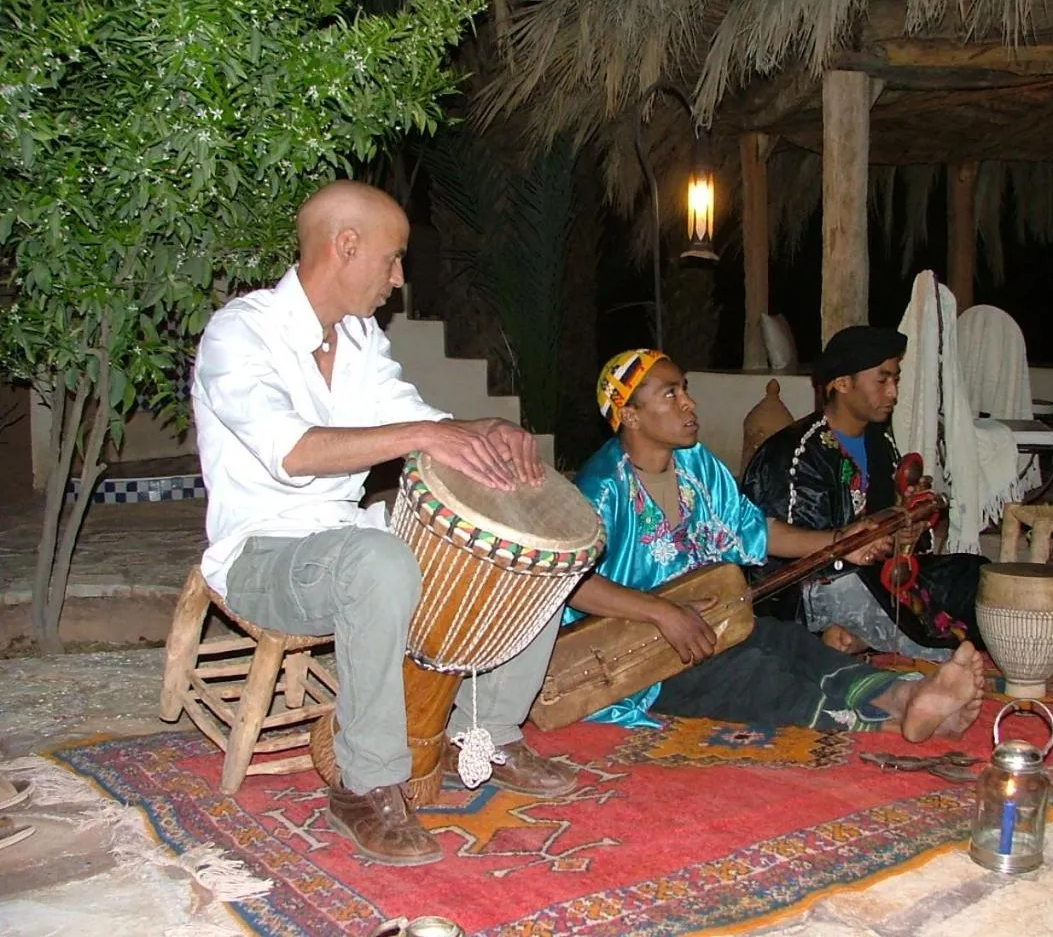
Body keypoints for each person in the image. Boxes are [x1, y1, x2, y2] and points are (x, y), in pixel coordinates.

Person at [193, 180, 575, 867]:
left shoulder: (360, 339)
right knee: (379, 564)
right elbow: (294, 451)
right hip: (262, 553)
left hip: (352, 540)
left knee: (521, 543)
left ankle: (486, 730)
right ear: (347, 247)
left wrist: (480, 430)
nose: (398, 279)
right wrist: (425, 436)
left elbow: (414, 417)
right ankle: (365, 784)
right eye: (393, 259)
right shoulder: (239, 334)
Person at [562, 349, 985, 738]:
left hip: (704, 626)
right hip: (631, 660)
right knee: (749, 672)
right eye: (670, 394)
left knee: (787, 641)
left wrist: (839, 542)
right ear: (631, 416)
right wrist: (662, 613)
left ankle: (904, 696)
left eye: (685, 390)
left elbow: (755, 531)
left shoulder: (696, 464)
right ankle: (887, 722)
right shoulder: (602, 487)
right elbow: (571, 583)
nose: (689, 403)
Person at [741, 326, 986, 660]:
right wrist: (853, 543)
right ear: (842, 383)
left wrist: (906, 533)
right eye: (882, 380)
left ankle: (864, 634)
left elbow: (892, 537)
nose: (893, 393)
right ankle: (848, 635)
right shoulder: (796, 454)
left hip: (874, 577)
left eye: (895, 380)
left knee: (974, 575)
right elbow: (781, 562)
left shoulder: (879, 442)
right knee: (863, 594)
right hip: (811, 591)